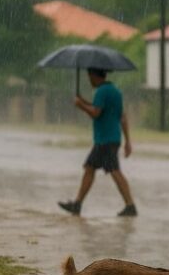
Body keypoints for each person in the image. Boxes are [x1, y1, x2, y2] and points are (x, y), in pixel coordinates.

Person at [58, 67, 138, 217]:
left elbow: (96, 112)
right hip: (112, 138)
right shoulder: (115, 91)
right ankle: (77, 204)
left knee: (114, 171)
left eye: (90, 76)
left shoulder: (101, 91)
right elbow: (122, 117)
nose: (89, 79)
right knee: (90, 167)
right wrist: (127, 141)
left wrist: (80, 105)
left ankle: (130, 205)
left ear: (95, 75)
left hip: (105, 140)